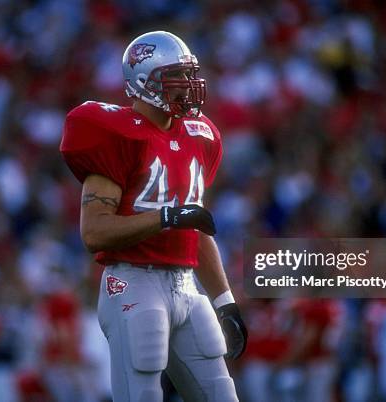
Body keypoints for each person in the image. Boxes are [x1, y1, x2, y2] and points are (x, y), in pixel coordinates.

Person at [59, 31, 248, 401]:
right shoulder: (117, 134)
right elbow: (94, 232)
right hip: (133, 283)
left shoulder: (200, 134)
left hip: (186, 286)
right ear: (143, 82)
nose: (188, 87)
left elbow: (195, 225)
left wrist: (224, 300)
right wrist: (166, 217)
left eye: (190, 75)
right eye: (175, 77)